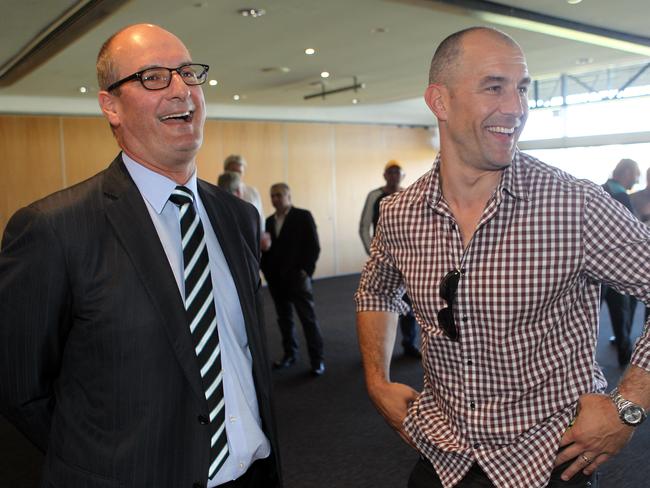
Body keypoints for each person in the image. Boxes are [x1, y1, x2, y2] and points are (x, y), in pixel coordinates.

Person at [355, 26, 650, 488]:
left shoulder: (575, 205)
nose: (516, 108)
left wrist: (629, 404)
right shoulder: (400, 214)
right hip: (441, 454)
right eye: (494, 87)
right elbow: (376, 288)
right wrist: (377, 379)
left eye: (523, 89)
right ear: (440, 102)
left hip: (545, 460)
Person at [0, 24, 281, 488]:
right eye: (153, 77)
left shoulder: (239, 217)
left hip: (252, 474)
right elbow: (19, 389)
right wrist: (102, 462)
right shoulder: (54, 229)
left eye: (188, 74)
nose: (181, 90)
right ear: (110, 105)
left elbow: (244, 356)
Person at [261, 183, 325, 376]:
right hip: (276, 280)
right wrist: (266, 270)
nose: (275, 199)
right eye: (272, 196)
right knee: (284, 320)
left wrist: (306, 271)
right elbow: (267, 249)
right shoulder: (269, 221)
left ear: (289, 195)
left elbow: (314, 246)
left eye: (279, 195)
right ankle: (290, 354)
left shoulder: (303, 216)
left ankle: (317, 360)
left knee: (308, 319)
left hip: (298, 278)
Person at [359, 160, 421, 358]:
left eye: (397, 172)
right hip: (383, 260)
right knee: (378, 304)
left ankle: (409, 343)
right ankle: (377, 351)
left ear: (402, 176)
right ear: (385, 175)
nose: (394, 176)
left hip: (405, 258)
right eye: (390, 172)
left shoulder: (408, 195)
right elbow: (364, 226)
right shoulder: (375, 196)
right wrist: (374, 252)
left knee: (409, 303)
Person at [601, 158, 641, 366]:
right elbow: (632, 236)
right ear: (625, 172)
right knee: (621, 315)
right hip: (617, 268)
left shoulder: (599, 191)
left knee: (590, 318)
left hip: (594, 268)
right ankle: (625, 361)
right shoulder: (622, 197)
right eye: (635, 174)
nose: (637, 179)